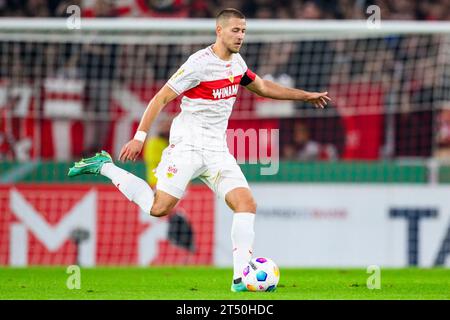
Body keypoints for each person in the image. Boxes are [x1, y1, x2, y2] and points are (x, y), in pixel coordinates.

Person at [68, 8, 330, 292]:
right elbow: (161, 98)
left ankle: (240, 278)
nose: (241, 36)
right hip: (188, 147)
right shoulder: (198, 63)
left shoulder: (238, 64)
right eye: (235, 30)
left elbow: (263, 87)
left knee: (246, 204)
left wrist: (305, 96)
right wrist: (139, 138)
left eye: (243, 31)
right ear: (219, 31)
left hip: (217, 151)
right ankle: (104, 165)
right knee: (159, 208)